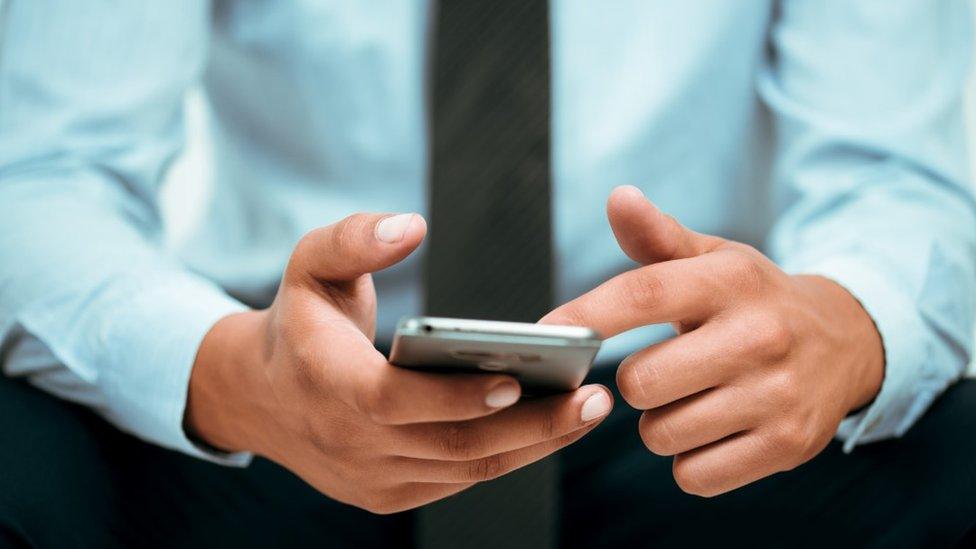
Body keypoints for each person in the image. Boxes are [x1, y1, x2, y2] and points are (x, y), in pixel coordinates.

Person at [1, 1, 975, 547]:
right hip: (285, 417)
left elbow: (893, 176)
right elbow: (45, 176)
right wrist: (221, 375)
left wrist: (846, 327)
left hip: (690, 420)